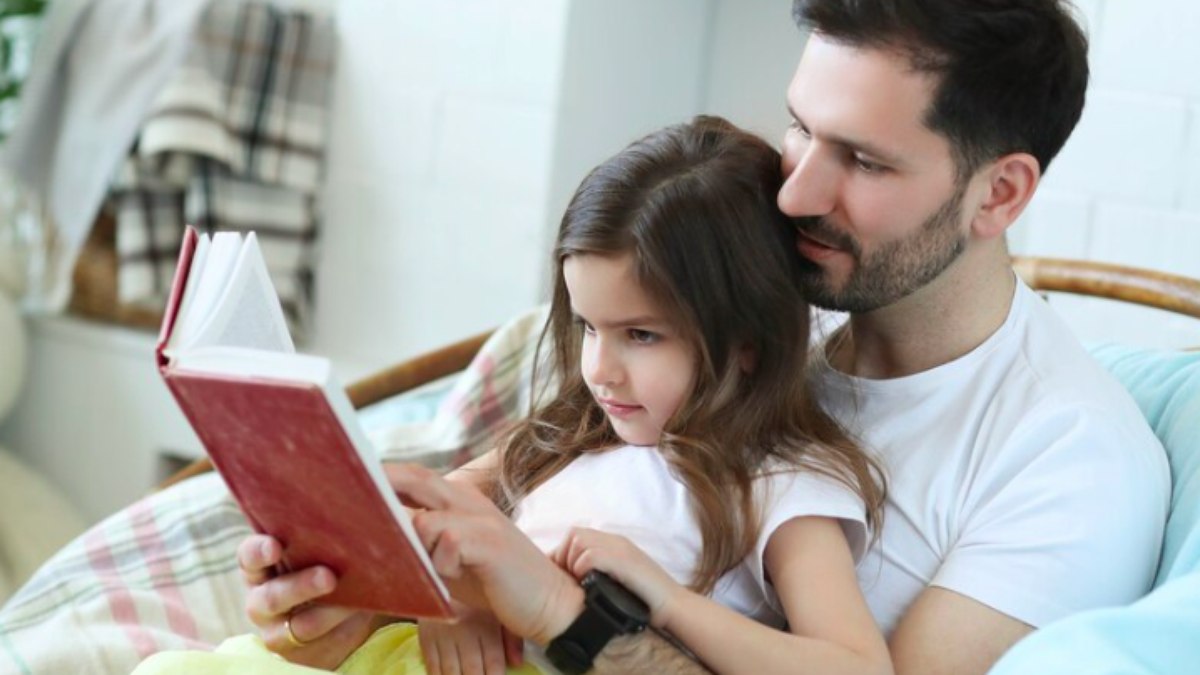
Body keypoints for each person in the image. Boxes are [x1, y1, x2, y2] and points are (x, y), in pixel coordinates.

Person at [242, 1, 1172, 674]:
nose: (797, 190)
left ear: (999, 193)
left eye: (862, 160)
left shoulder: (1065, 458)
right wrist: (337, 610)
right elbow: (485, 507)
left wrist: (565, 615)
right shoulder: (744, 298)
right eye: (802, 129)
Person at [229, 115, 893, 675]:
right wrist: (440, 597)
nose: (599, 368)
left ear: (747, 338)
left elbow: (856, 665)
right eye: (586, 326)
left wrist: (662, 600)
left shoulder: (778, 482)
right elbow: (443, 525)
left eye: (641, 334)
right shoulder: (569, 436)